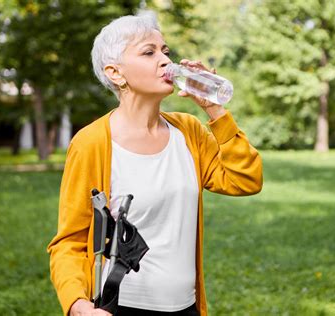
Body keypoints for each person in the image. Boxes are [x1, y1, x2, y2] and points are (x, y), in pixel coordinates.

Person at [47, 11, 263, 316]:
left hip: (186, 306)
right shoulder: (92, 143)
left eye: (165, 51)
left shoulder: (188, 132)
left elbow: (246, 180)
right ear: (116, 73)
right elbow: (70, 241)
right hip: (121, 306)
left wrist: (215, 109)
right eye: (149, 52)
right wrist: (78, 305)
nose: (164, 60)